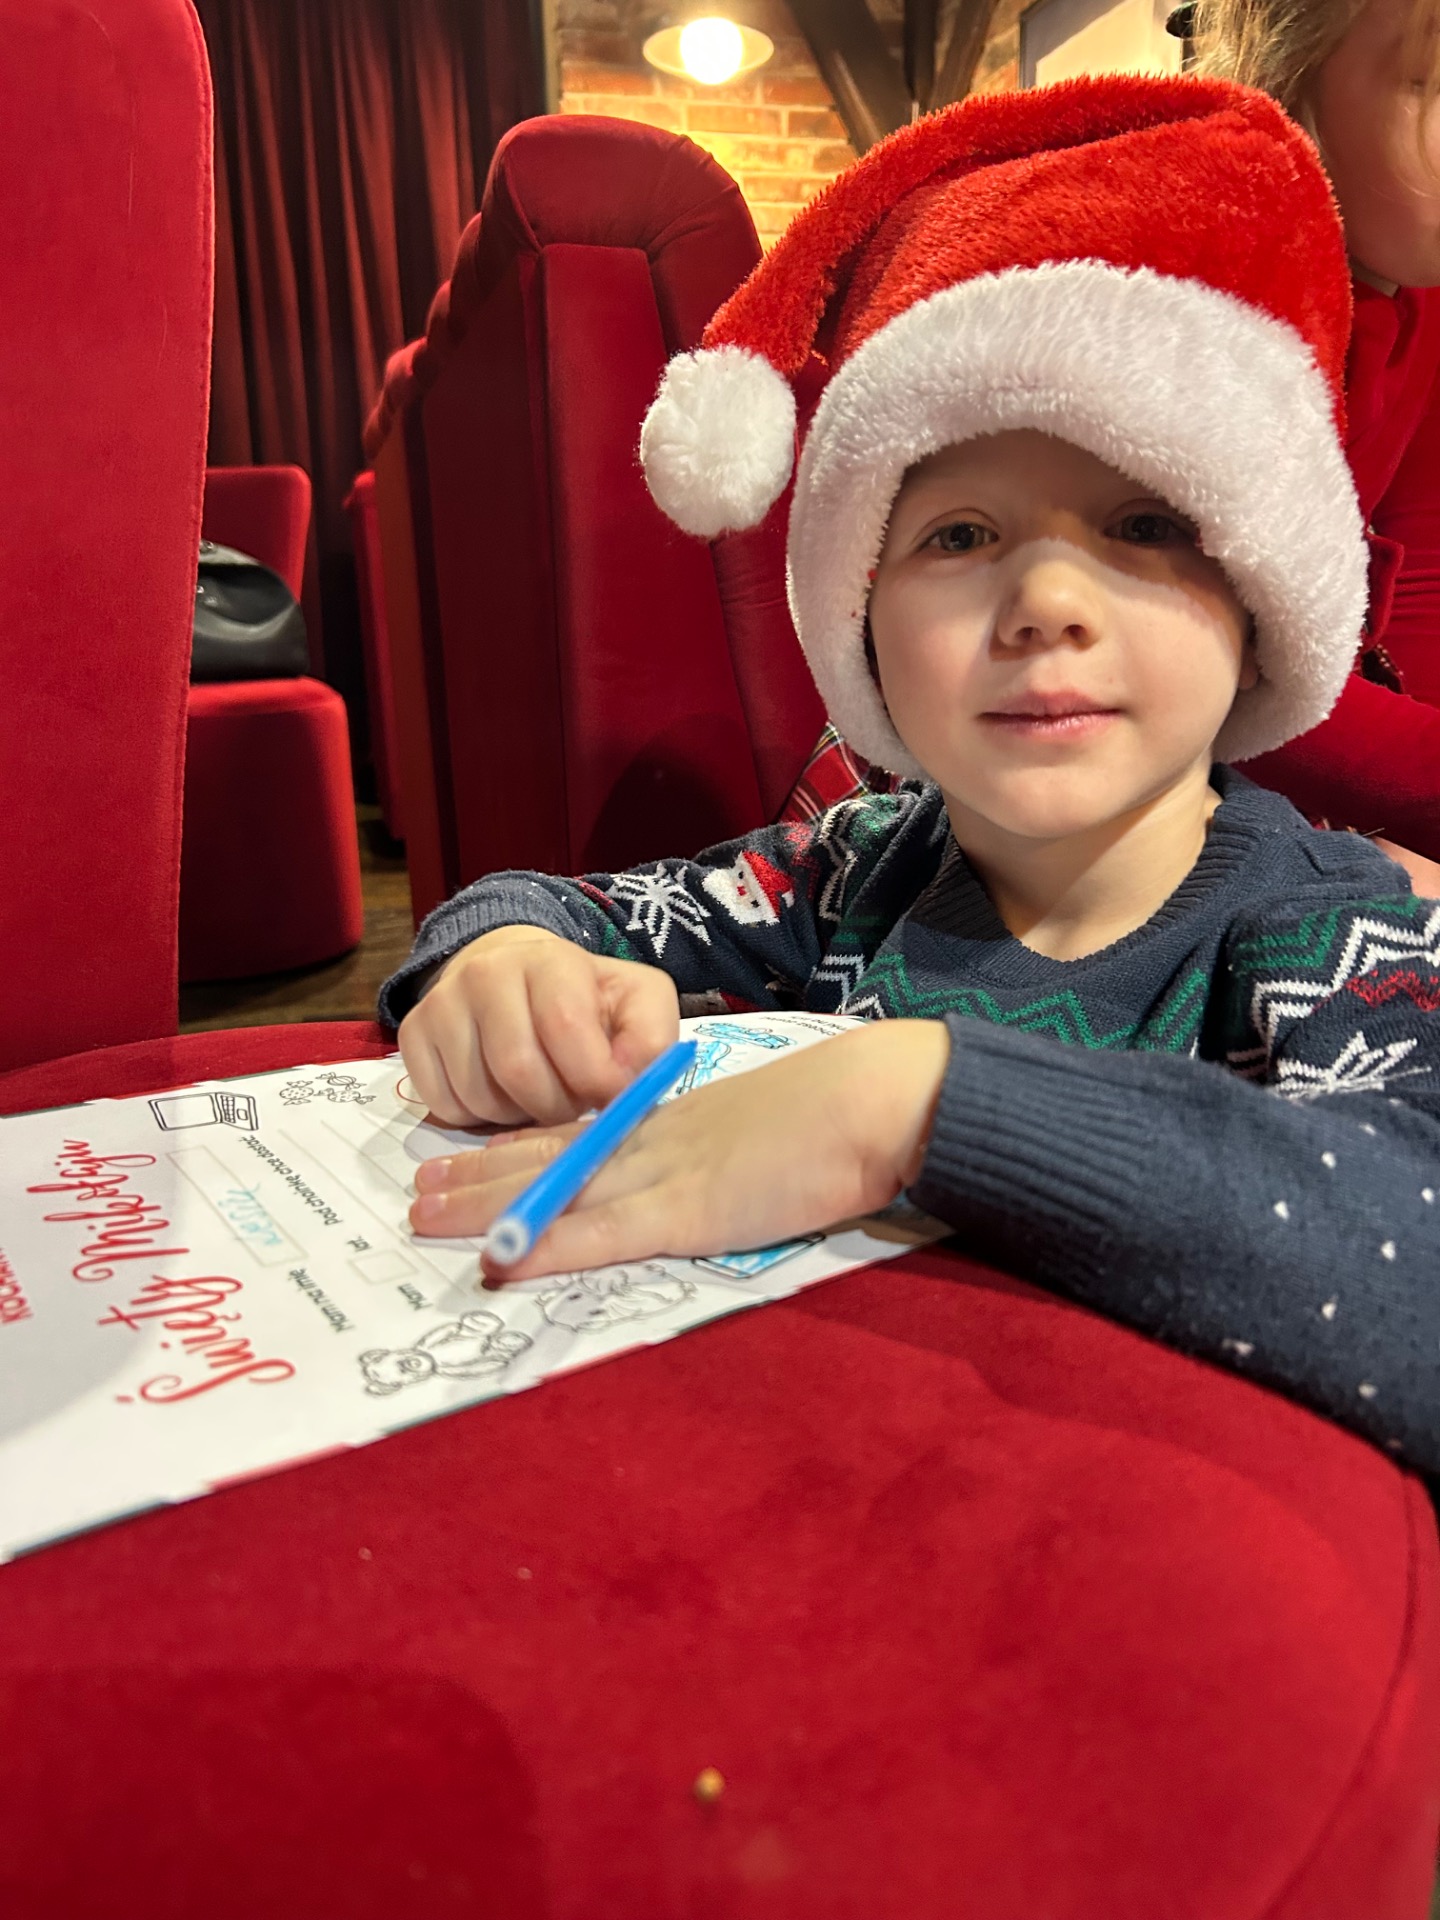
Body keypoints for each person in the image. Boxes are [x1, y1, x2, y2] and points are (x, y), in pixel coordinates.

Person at [381, 77, 1440, 1476]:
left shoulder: (1328, 925)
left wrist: (916, 1107)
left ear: (1261, 597)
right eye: (959, 536)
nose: (1048, 600)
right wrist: (502, 961)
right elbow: (570, 909)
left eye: (1144, 524)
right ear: (861, 617)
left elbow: (1409, 1262)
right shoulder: (852, 864)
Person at [1192, 0, 1440, 873]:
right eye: (1431, 83)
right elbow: (1203, 659)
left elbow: (1420, 581)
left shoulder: (1419, 294)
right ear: (1290, 79)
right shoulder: (1220, 298)